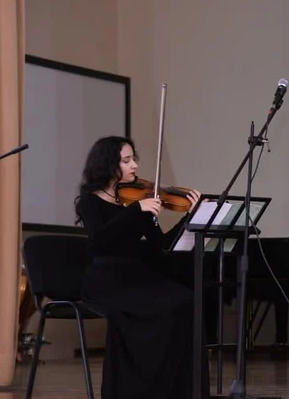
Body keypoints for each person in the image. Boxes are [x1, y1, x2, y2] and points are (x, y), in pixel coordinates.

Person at [74, 136, 209, 398]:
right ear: (107, 164)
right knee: (167, 306)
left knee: (187, 301)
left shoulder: (140, 201)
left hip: (136, 275)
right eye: (126, 160)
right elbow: (101, 242)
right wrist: (136, 211)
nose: (135, 165)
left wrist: (190, 219)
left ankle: (178, 390)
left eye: (133, 159)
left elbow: (161, 247)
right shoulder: (90, 201)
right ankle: (142, 388)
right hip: (105, 278)